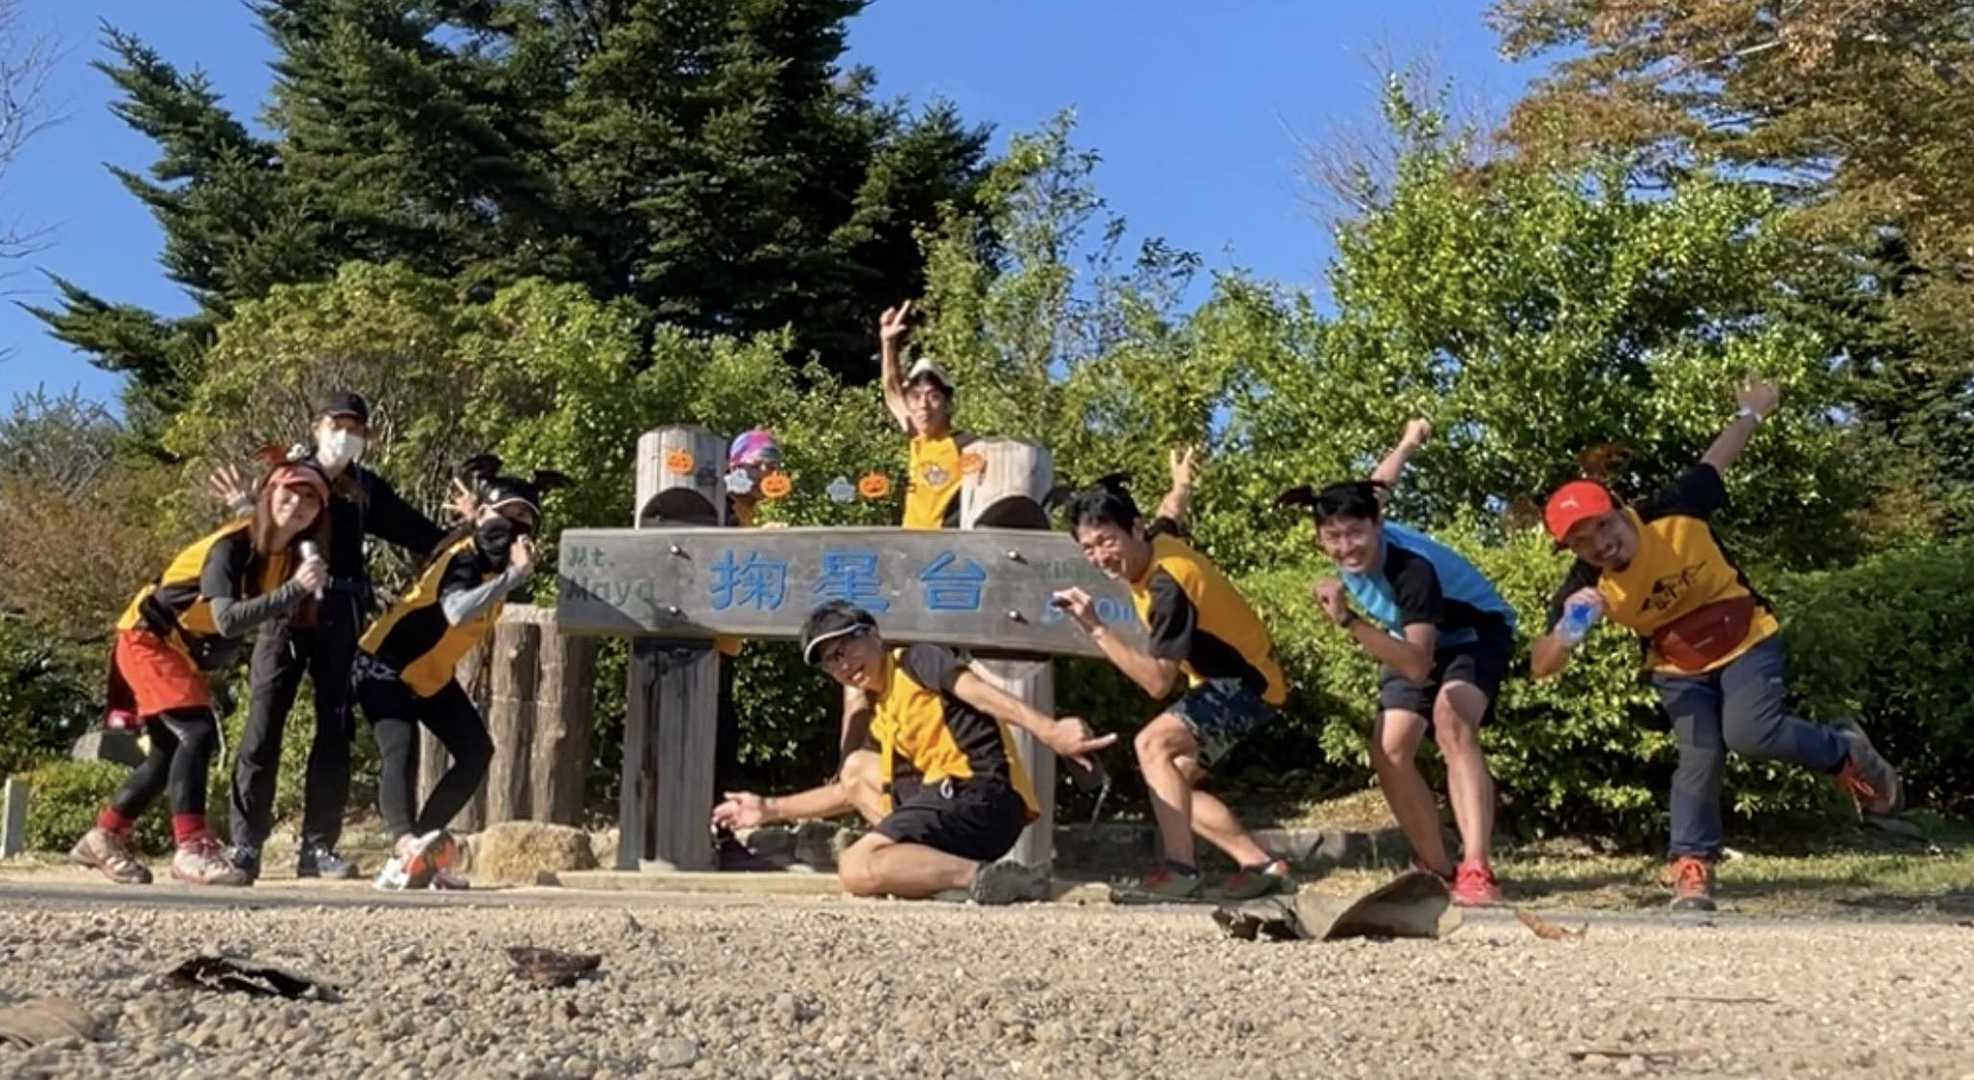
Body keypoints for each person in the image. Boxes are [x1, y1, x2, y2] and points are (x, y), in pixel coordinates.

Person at [1531, 380, 1904, 912]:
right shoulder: (1585, 586)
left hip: (1746, 636)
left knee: (1752, 733)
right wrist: (1570, 629)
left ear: (1620, 508)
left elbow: (1717, 460)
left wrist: (1752, 411)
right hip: (1678, 665)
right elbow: (1542, 665)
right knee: (1699, 754)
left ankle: (1844, 750)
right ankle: (1692, 865)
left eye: (1603, 526)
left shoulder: (1674, 509)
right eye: (1581, 541)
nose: (1600, 544)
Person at [711, 601, 1116, 903]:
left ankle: (983, 878)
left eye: (845, 648)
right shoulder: (880, 710)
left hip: (980, 794)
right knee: (857, 769)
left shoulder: (915, 659)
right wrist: (769, 808)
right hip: (946, 801)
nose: (843, 665)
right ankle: (949, 876)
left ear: (873, 635)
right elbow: (848, 790)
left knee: (856, 867)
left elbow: (980, 693)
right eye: (831, 662)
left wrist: (1049, 730)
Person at [1281, 419, 1517, 906]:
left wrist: (1347, 621)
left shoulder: (1412, 572)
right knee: (1389, 748)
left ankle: (1477, 869)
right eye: (1332, 537)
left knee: (1451, 720)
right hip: (1409, 635)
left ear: (1378, 525)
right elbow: (1380, 481)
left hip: (1474, 634)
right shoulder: (1366, 510)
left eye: (1355, 533)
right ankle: (1437, 869)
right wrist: (1408, 442)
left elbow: (1415, 666)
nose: (1345, 547)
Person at [216, 391, 450, 881]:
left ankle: (318, 846)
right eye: (338, 425)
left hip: (342, 611)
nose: (347, 435)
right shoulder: (289, 475)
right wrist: (244, 506)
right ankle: (245, 844)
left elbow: (423, 534)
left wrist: (473, 528)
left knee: (335, 729)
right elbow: (258, 533)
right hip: (283, 610)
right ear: (318, 426)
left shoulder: (365, 489)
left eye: (357, 428)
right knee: (262, 725)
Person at [69, 463, 332, 886]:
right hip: (147, 638)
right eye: (289, 492)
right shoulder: (229, 548)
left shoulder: (283, 554)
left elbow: (259, 546)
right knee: (197, 730)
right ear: (269, 494)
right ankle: (192, 847)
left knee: (167, 753)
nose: (298, 504)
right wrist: (295, 589)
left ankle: (104, 835)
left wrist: (248, 510)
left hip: (178, 650)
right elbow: (227, 620)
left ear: (320, 512)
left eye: (311, 498)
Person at [1051, 474, 1293, 901]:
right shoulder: (1157, 541)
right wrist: (1182, 483)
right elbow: (1170, 512)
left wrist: (1095, 627)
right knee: (1171, 786)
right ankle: (1263, 865)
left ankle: (1180, 871)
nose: (1100, 556)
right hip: (1234, 680)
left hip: (1247, 685)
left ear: (1134, 529)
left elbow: (1158, 683)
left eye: (1107, 541)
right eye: (1088, 547)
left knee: (1151, 745)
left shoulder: (1168, 585)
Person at [355, 457, 562, 891]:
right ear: (485, 517)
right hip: (385, 664)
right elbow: (455, 610)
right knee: (400, 748)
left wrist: (502, 562)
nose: (515, 528)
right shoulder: (465, 560)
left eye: (525, 519)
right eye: (506, 515)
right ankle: (404, 846)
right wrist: (514, 576)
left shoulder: (490, 563)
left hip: (429, 675)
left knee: (475, 751)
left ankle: (422, 852)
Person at [711, 429, 786, 869]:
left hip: (723, 648)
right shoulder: (718, 506)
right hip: (700, 650)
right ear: (735, 465)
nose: (765, 474)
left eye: (772, 467)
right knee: (715, 747)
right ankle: (719, 841)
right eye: (758, 465)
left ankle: (720, 839)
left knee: (722, 744)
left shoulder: (745, 511)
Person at [877, 300, 974, 530]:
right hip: (910, 541)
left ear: (948, 404)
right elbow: (892, 391)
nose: (924, 405)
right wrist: (888, 343)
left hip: (945, 543)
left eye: (933, 397)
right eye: (916, 397)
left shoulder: (965, 444)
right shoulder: (917, 439)